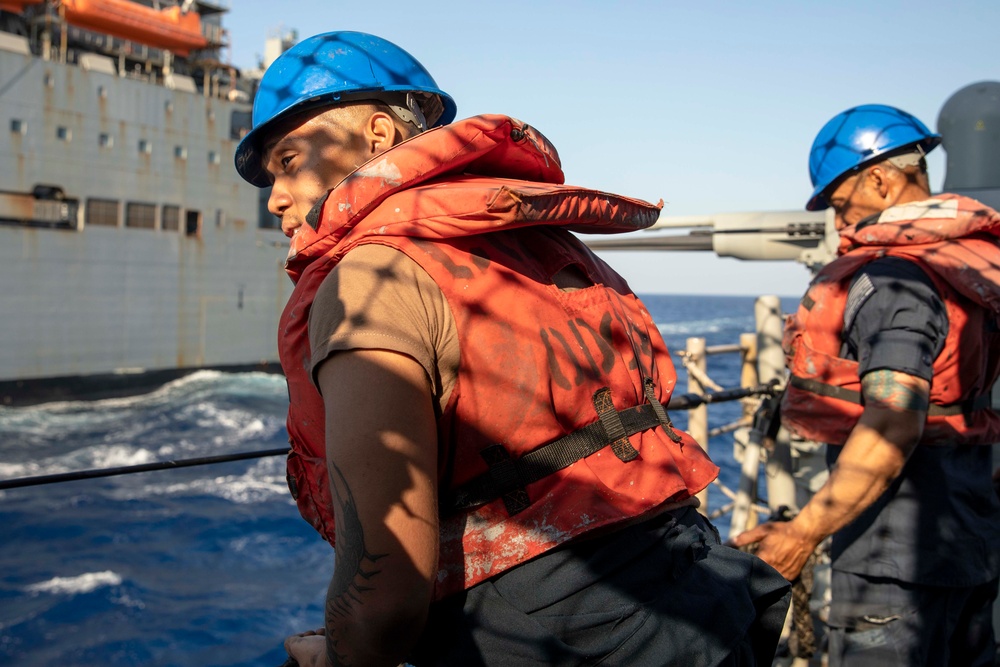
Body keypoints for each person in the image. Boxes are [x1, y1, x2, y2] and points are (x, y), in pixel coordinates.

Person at [234, 31, 790, 667]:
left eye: (286, 162)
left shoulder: (372, 277)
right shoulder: (554, 249)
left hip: (557, 634)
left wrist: (336, 653)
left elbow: (384, 595)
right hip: (697, 591)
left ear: (378, 136)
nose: (274, 196)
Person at [732, 104, 1000, 665]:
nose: (839, 224)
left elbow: (892, 423)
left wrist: (801, 533)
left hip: (895, 560)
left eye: (838, 202)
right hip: (972, 534)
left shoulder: (895, 278)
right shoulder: (965, 268)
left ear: (878, 179)